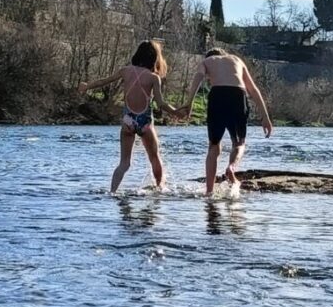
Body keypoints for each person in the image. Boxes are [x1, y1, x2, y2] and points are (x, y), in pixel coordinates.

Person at [182, 37, 272, 195]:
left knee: (213, 146)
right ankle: (231, 168)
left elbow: (198, 78)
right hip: (237, 94)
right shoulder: (236, 60)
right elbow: (253, 89)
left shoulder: (207, 61)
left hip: (217, 96)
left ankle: (209, 191)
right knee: (239, 143)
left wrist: (189, 102)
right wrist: (265, 117)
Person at [82, 40, 171, 192]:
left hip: (127, 121)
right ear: (154, 58)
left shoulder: (125, 71)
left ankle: (112, 192)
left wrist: (87, 86)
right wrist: (177, 112)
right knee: (155, 158)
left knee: (124, 164)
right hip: (145, 123)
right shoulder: (153, 77)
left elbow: (104, 81)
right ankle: (160, 189)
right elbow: (161, 103)